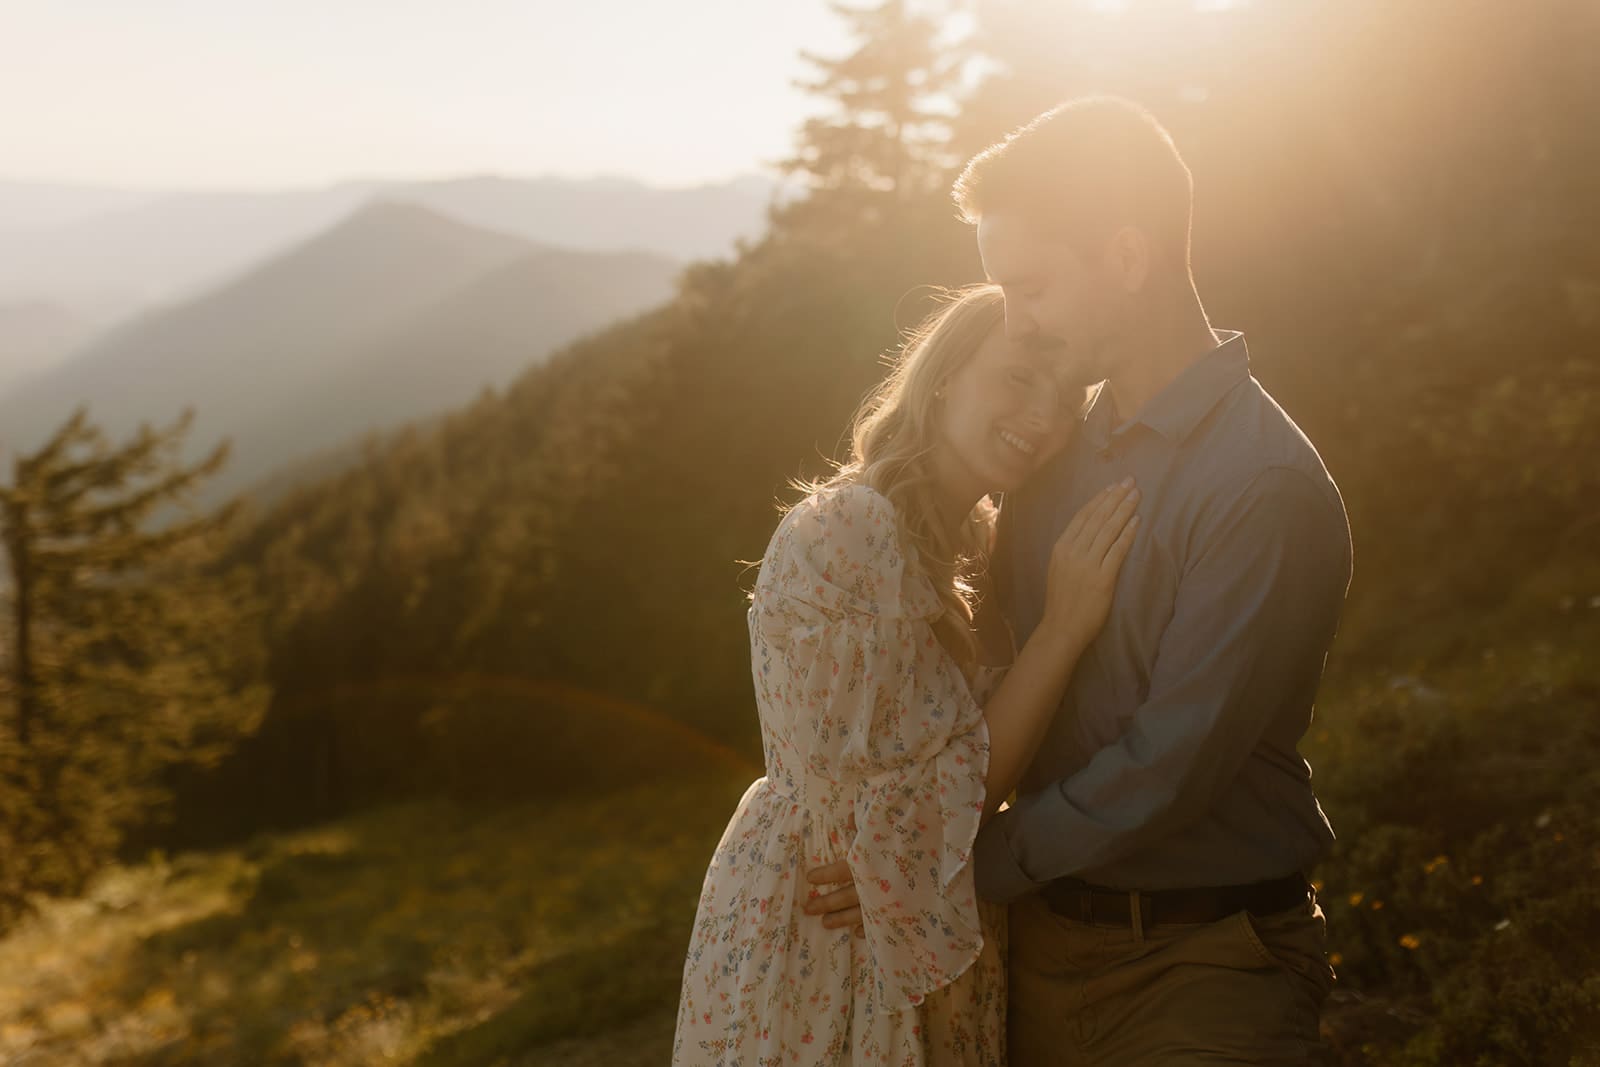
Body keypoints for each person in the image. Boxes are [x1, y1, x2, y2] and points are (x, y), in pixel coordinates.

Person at [806, 97, 1353, 1064]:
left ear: (1129, 259)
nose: (1014, 322)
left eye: (1032, 288)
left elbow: (1169, 763)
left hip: (1205, 967)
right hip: (1036, 952)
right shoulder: (1056, 458)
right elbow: (977, 677)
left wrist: (950, 863)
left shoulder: (1258, 484)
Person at [672, 283, 1141, 1066]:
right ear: (947, 372)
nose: (1044, 417)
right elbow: (940, 791)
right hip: (832, 925)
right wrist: (1062, 630)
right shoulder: (857, 528)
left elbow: (936, 808)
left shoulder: (971, 543)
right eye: (1019, 377)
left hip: (905, 910)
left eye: (1066, 400)